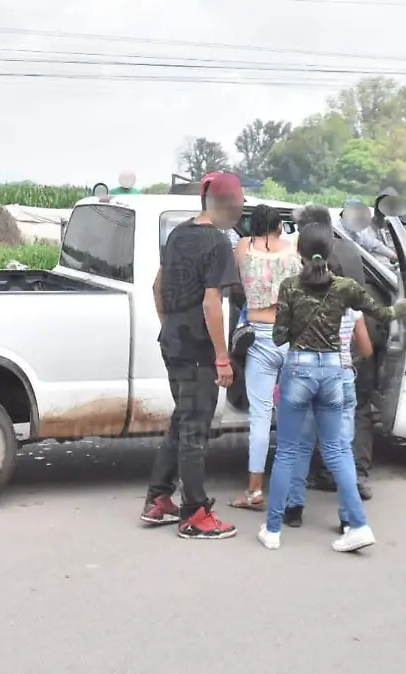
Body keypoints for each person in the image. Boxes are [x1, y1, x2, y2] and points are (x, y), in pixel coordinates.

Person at [257, 219, 406, 552]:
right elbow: (382, 313)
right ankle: (358, 525)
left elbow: (279, 336)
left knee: (289, 452)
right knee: (338, 451)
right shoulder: (345, 287)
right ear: (331, 249)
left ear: (300, 252)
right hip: (335, 374)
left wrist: (293, 329)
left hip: (299, 372)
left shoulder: (290, 287)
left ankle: (274, 529)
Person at [140, 171, 244, 540]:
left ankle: (159, 499)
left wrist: (170, 324)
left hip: (172, 343)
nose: (243, 206)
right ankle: (194, 514)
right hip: (199, 350)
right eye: (241, 200)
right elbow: (211, 301)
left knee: (182, 421)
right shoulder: (217, 242)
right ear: (229, 203)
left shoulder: (179, 233)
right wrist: (221, 356)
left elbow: (158, 285)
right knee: (195, 430)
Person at [291, 205, 378, 500]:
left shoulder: (304, 257)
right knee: (355, 412)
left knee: (312, 419)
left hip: (317, 350)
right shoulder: (352, 249)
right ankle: (355, 474)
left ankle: (302, 494)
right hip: (350, 344)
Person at [228, 204, 301, 511]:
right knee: (292, 416)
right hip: (291, 335)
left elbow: (234, 281)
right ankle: (292, 490)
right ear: (279, 226)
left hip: (259, 336)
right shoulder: (292, 250)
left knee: (259, 416)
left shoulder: (244, 247)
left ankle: (255, 490)